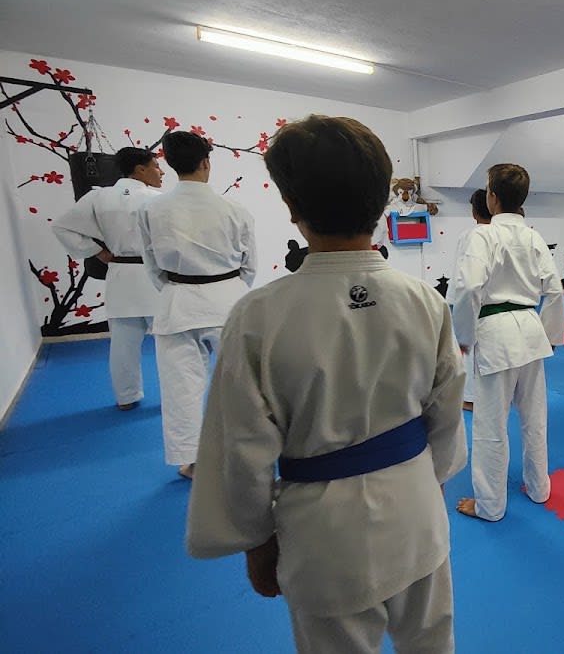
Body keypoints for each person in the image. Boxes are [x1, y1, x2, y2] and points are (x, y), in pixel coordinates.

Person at [186, 115, 466, 654]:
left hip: (323, 529)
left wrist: (254, 538)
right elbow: (447, 410)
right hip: (416, 508)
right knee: (432, 641)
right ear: (384, 201)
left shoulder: (259, 316)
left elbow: (240, 447)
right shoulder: (424, 300)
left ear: (291, 208)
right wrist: (425, 482)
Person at [138, 131, 256, 478]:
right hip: (228, 302)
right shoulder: (235, 209)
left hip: (177, 303)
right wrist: (226, 288)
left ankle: (190, 460)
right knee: (242, 383)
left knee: (181, 388)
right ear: (206, 162)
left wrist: (179, 287)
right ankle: (249, 450)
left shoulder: (151, 209)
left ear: (170, 164)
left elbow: (152, 265)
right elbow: (249, 265)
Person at [452, 163, 564, 522]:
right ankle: (539, 487)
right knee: (535, 418)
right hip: (531, 331)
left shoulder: (481, 236)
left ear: (493, 197)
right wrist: (551, 336)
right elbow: (555, 289)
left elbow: (468, 288)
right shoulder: (533, 236)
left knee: (490, 426)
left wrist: (464, 337)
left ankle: (490, 506)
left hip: (496, 333)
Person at [51, 147, 164, 410]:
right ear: (140, 169)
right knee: (169, 344)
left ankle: (126, 398)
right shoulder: (157, 199)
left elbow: (61, 226)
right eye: (156, 166)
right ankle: (174, 396)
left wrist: (96, 252)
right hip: (153, 277)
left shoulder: (99, 197)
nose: (161, 172)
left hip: (120, 274)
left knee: (123, 344)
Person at [447, 188, 493, 411]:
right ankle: (488, 394)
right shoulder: (502, 234)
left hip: (471, 297)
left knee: (469, 348)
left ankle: (471, 397)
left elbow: (463, 274)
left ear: (474, 212)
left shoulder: (469, 235)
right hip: (495, 301)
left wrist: (456, 300)